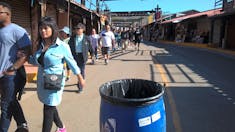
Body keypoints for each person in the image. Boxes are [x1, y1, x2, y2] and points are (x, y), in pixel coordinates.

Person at [29, 16, 85, 132]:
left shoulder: (62, 46)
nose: (42, 31)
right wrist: (24, 57)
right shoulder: (40, 45)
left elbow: (72, 62)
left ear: (53, 29)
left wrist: (80, 77)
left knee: (48, 108)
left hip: (54, 81)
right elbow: (35, 61)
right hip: (42, 81)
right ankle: (61, 128)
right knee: (50, 105)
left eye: (46, 28)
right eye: (41, 28)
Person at [0, 2, 30, 132]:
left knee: (5, 105)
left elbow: (27, 52)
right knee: (10, 101)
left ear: (7, 14)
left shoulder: (17, 30)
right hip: (1, 74)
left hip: (11, 76)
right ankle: (22, 124)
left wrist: (13, 68)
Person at [69, 23, 93, 93]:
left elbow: (90, 47)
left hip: (82, 56)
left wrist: (92, 54)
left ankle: (80, 86)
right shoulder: (72, 38)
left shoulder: (86, 38)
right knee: (76, 70)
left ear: (83, 30)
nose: (77, 30)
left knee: (81, 70)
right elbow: (69, 47)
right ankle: (80, 80)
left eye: (79, 29)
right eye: (76, 29)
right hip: (74, 56)